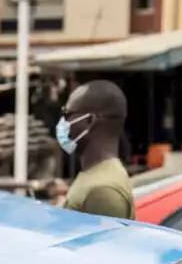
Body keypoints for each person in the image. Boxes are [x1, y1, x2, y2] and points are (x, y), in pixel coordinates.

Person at [57, 81, 136, 220]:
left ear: (89, 121)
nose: (63, 122)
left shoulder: (102, 190)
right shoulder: (95, 176)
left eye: (67, 114)